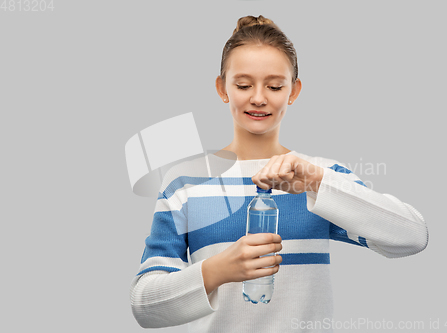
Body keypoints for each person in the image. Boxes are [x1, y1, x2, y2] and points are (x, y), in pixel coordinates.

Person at [130, 15, 428, 332]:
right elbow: (144, 307)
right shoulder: (184, 182)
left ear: (294, 91)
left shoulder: (321, 177)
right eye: (244, 85)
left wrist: (317, 182)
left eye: (274, 86)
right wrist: (218, 270)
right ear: (222, 88)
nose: (259, 97)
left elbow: (412, 237)